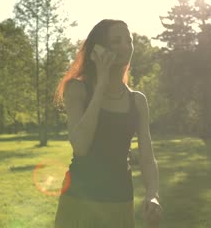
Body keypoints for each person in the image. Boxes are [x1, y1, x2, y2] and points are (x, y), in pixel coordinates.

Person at [53, 19, 162, 228]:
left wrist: (152, 194)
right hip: (80, 200)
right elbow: (81, 146)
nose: (125, 47)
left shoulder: (137, 101)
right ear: (99, 48)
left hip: (119, 201)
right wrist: (101, 83)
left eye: (128, 41)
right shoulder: (77, 90)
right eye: (116, 41)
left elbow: (147, 157)